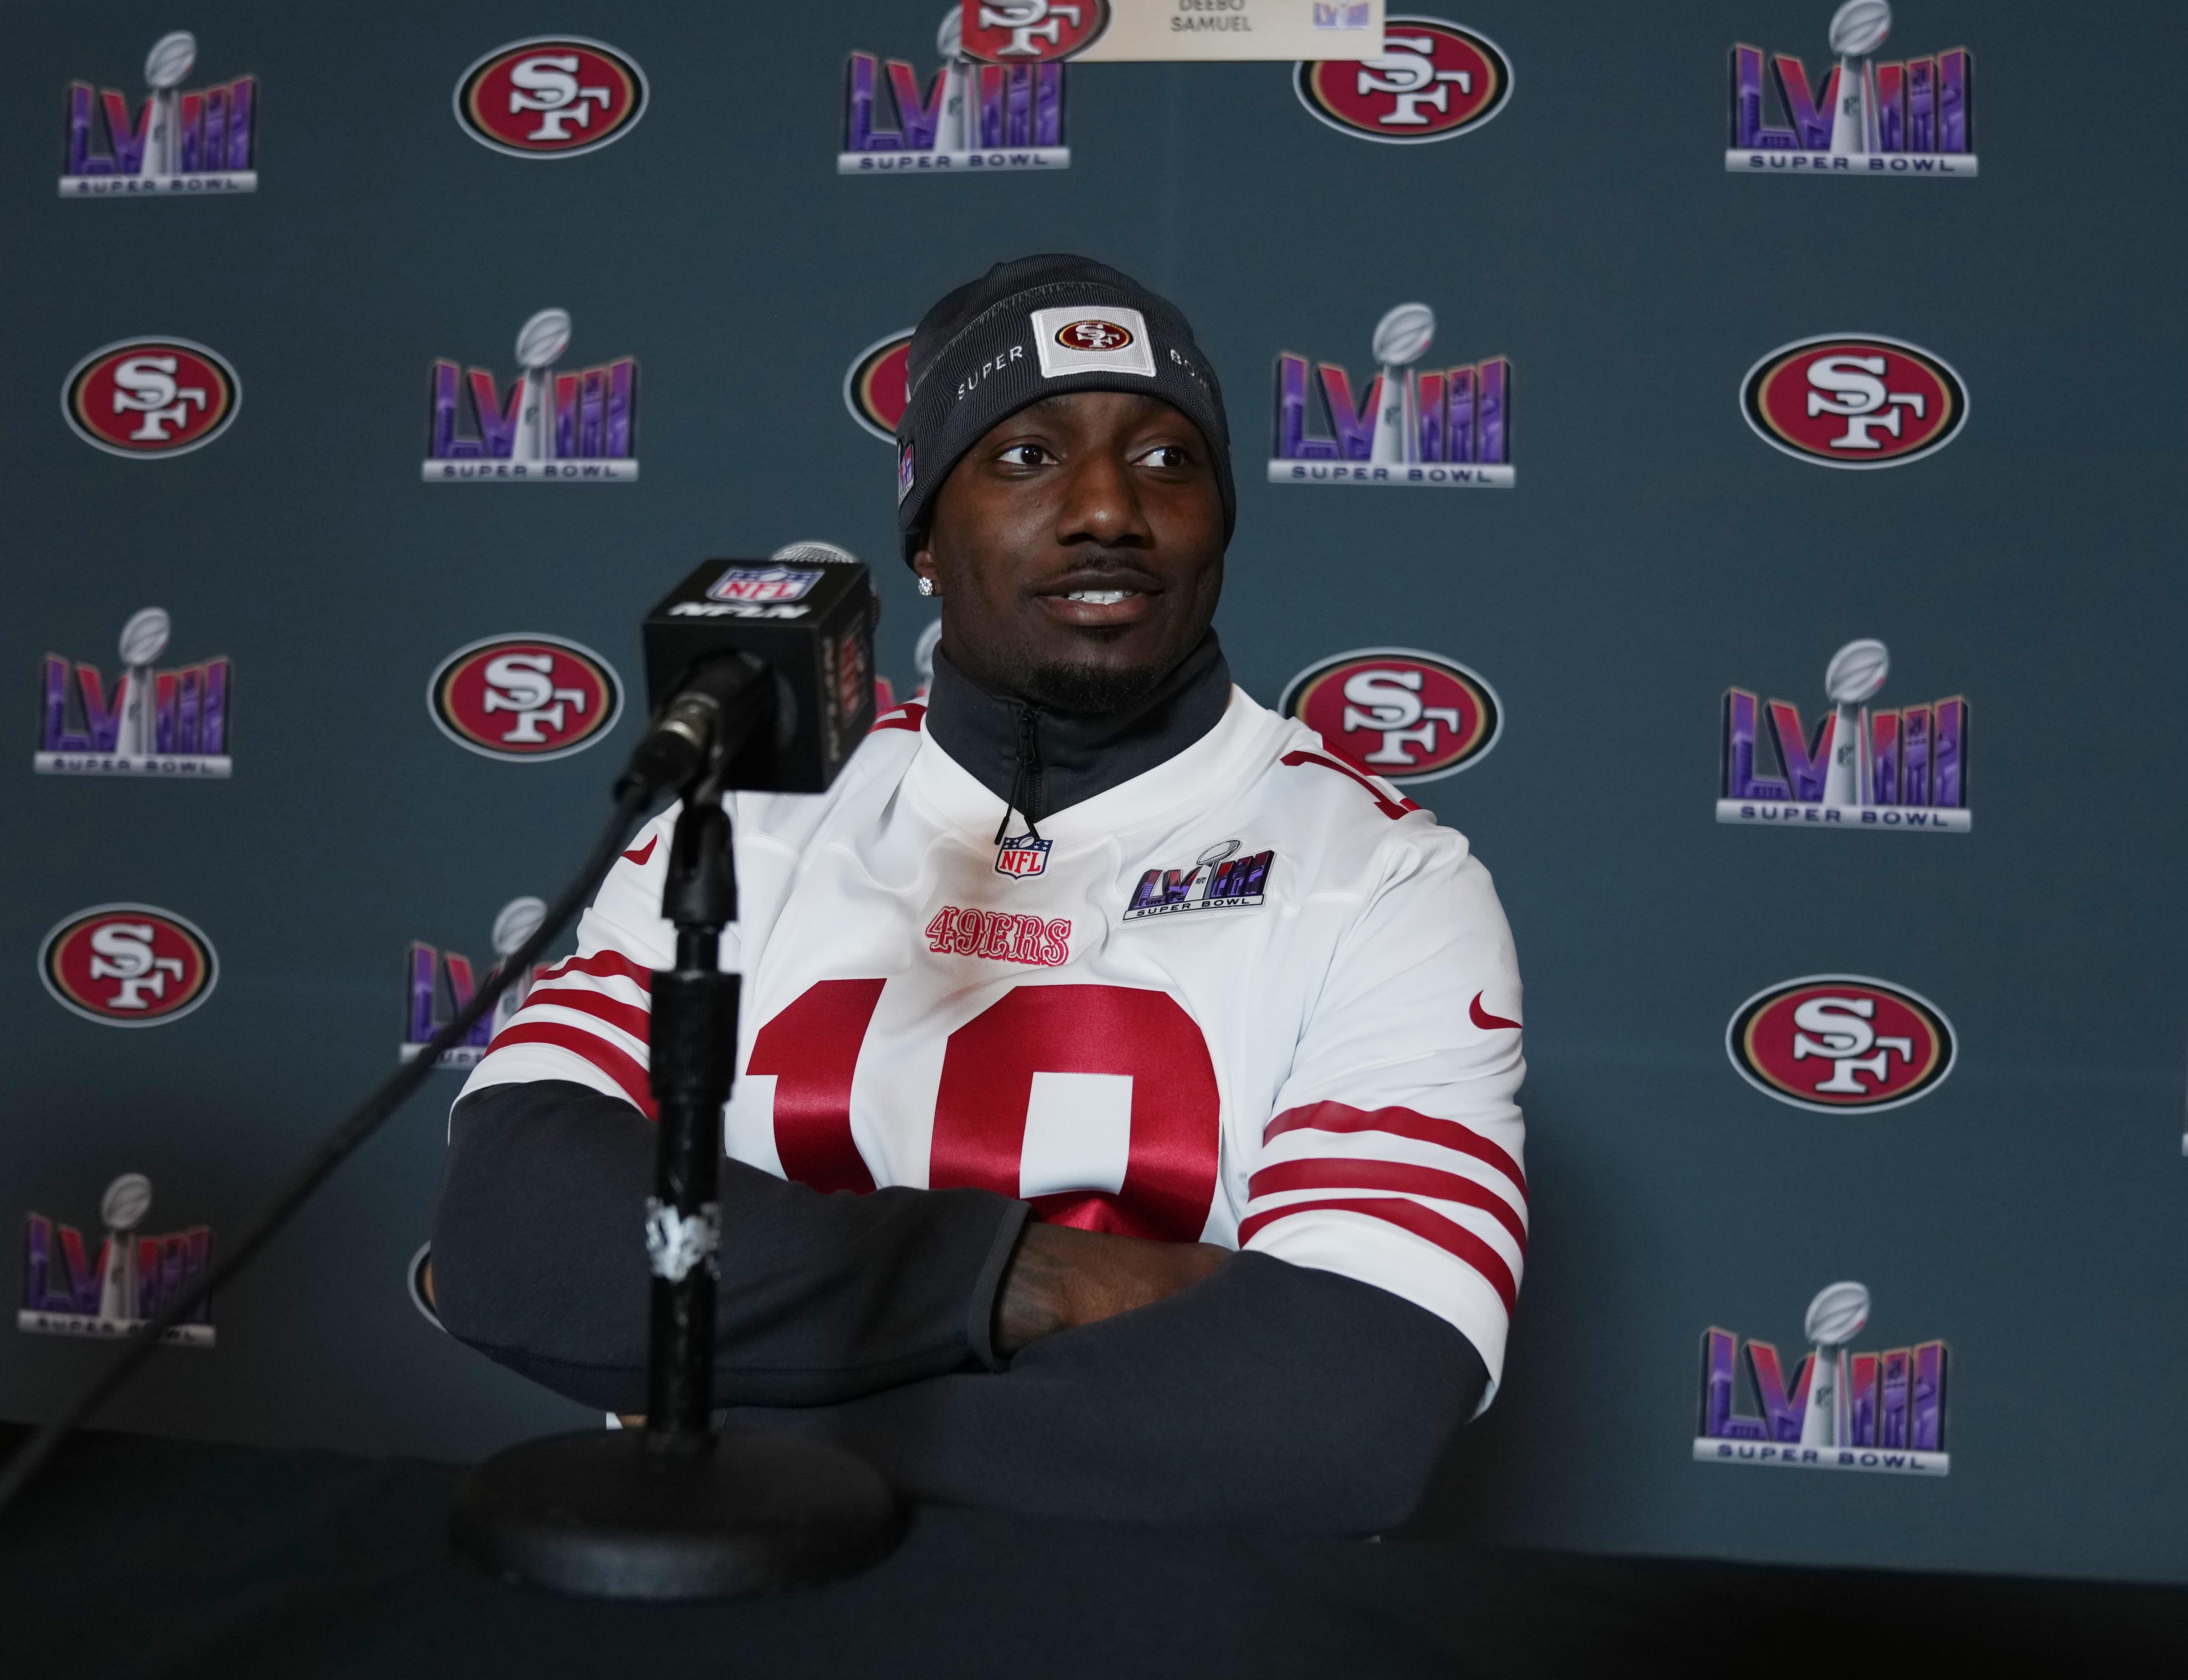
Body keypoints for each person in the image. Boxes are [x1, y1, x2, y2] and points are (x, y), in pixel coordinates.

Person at [428, 255, 1527, 1534]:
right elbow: (511, 1237)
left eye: (1170, 460)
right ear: (924, 542)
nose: (1109, 508)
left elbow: (1340, 1412)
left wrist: (731, 1430)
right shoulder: (751, 815)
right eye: (1025, 458)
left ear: (1223, 525)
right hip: (742, 1610)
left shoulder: (1385, 876)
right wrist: (1036, 1280)